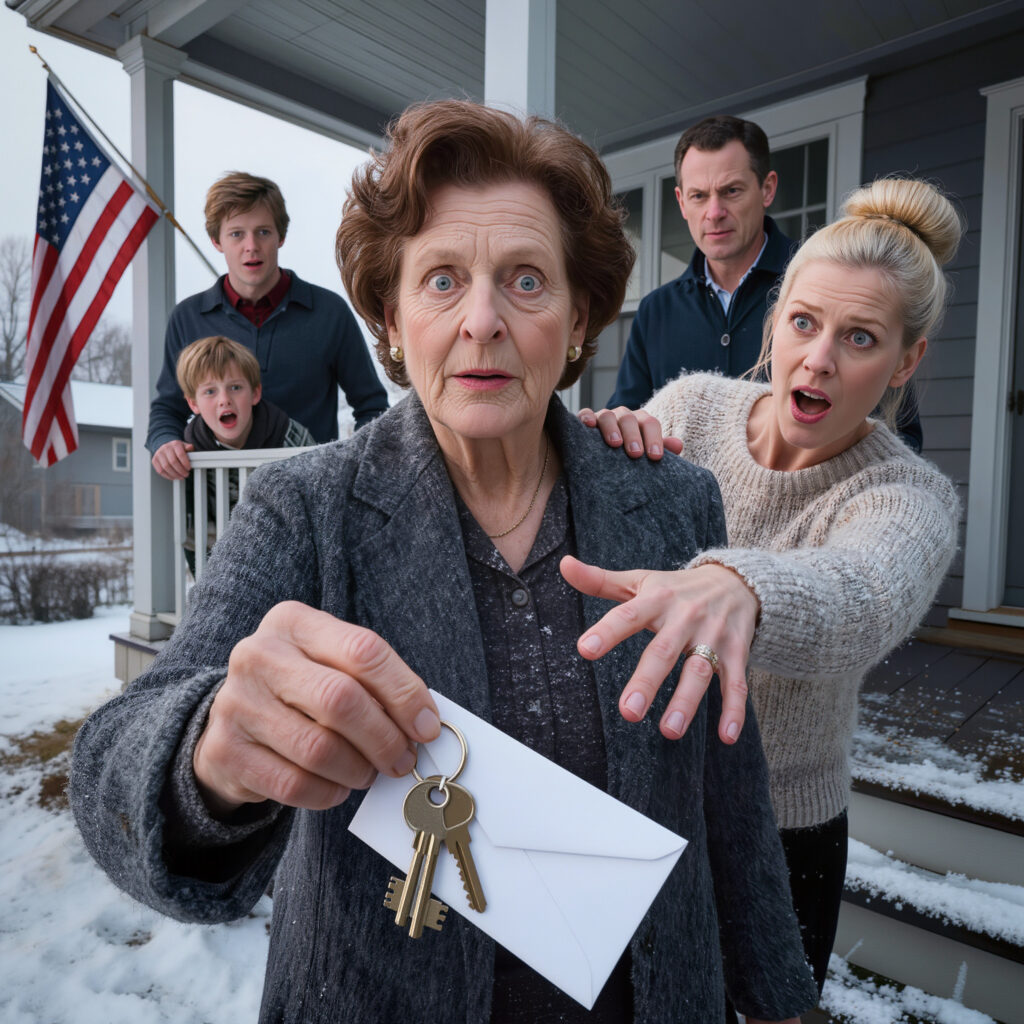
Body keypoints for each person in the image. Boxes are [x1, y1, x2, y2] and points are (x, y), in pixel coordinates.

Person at [70, 101, 816, 1024]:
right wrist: (208, 751)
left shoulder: (670, 500)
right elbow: (114, 754)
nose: (482, 321)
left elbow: (727, 797)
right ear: (390, 314)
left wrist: (780, 999)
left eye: (527, 280)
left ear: (580, 316)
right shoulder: (307, 510)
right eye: (441, 281)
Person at [572, 177, 962, 1005]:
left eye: (860, 338)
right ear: (777, 317)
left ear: (907, 358)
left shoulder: (908, 497)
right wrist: (594, 452)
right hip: (642, 794)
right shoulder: (690, 406)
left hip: (784, 831)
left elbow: (860, 593)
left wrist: (736, 586)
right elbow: (599, 530)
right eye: (805, 323)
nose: (819, 358)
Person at [608, 115, 923, 451]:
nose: (714, 212)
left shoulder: (826, 285)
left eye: (731, 191)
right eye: (699, 196)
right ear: (682, 202)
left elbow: (900, 437)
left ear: (767, 188)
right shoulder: (656, 311)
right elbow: (626, 422)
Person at [146, 171, 388, 480]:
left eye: (263, 232)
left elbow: (372, 406)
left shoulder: (330, 312)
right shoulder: (187, 317)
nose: (251, 246)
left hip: (312, 499)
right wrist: (164, 442)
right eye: (236, 234)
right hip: (216, 507)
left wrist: (354, 467)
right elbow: (168, 408)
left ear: (281, 236)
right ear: (216, 241)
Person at [176, 334, 315, 571]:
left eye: (235, 387)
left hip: (283, 554)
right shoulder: (190, 449)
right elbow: (192, 534)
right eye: (210, 392)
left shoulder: (290, 438)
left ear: (255, 394)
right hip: (221, 554)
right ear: (193, 404)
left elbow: (315, 503)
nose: (224, 400)